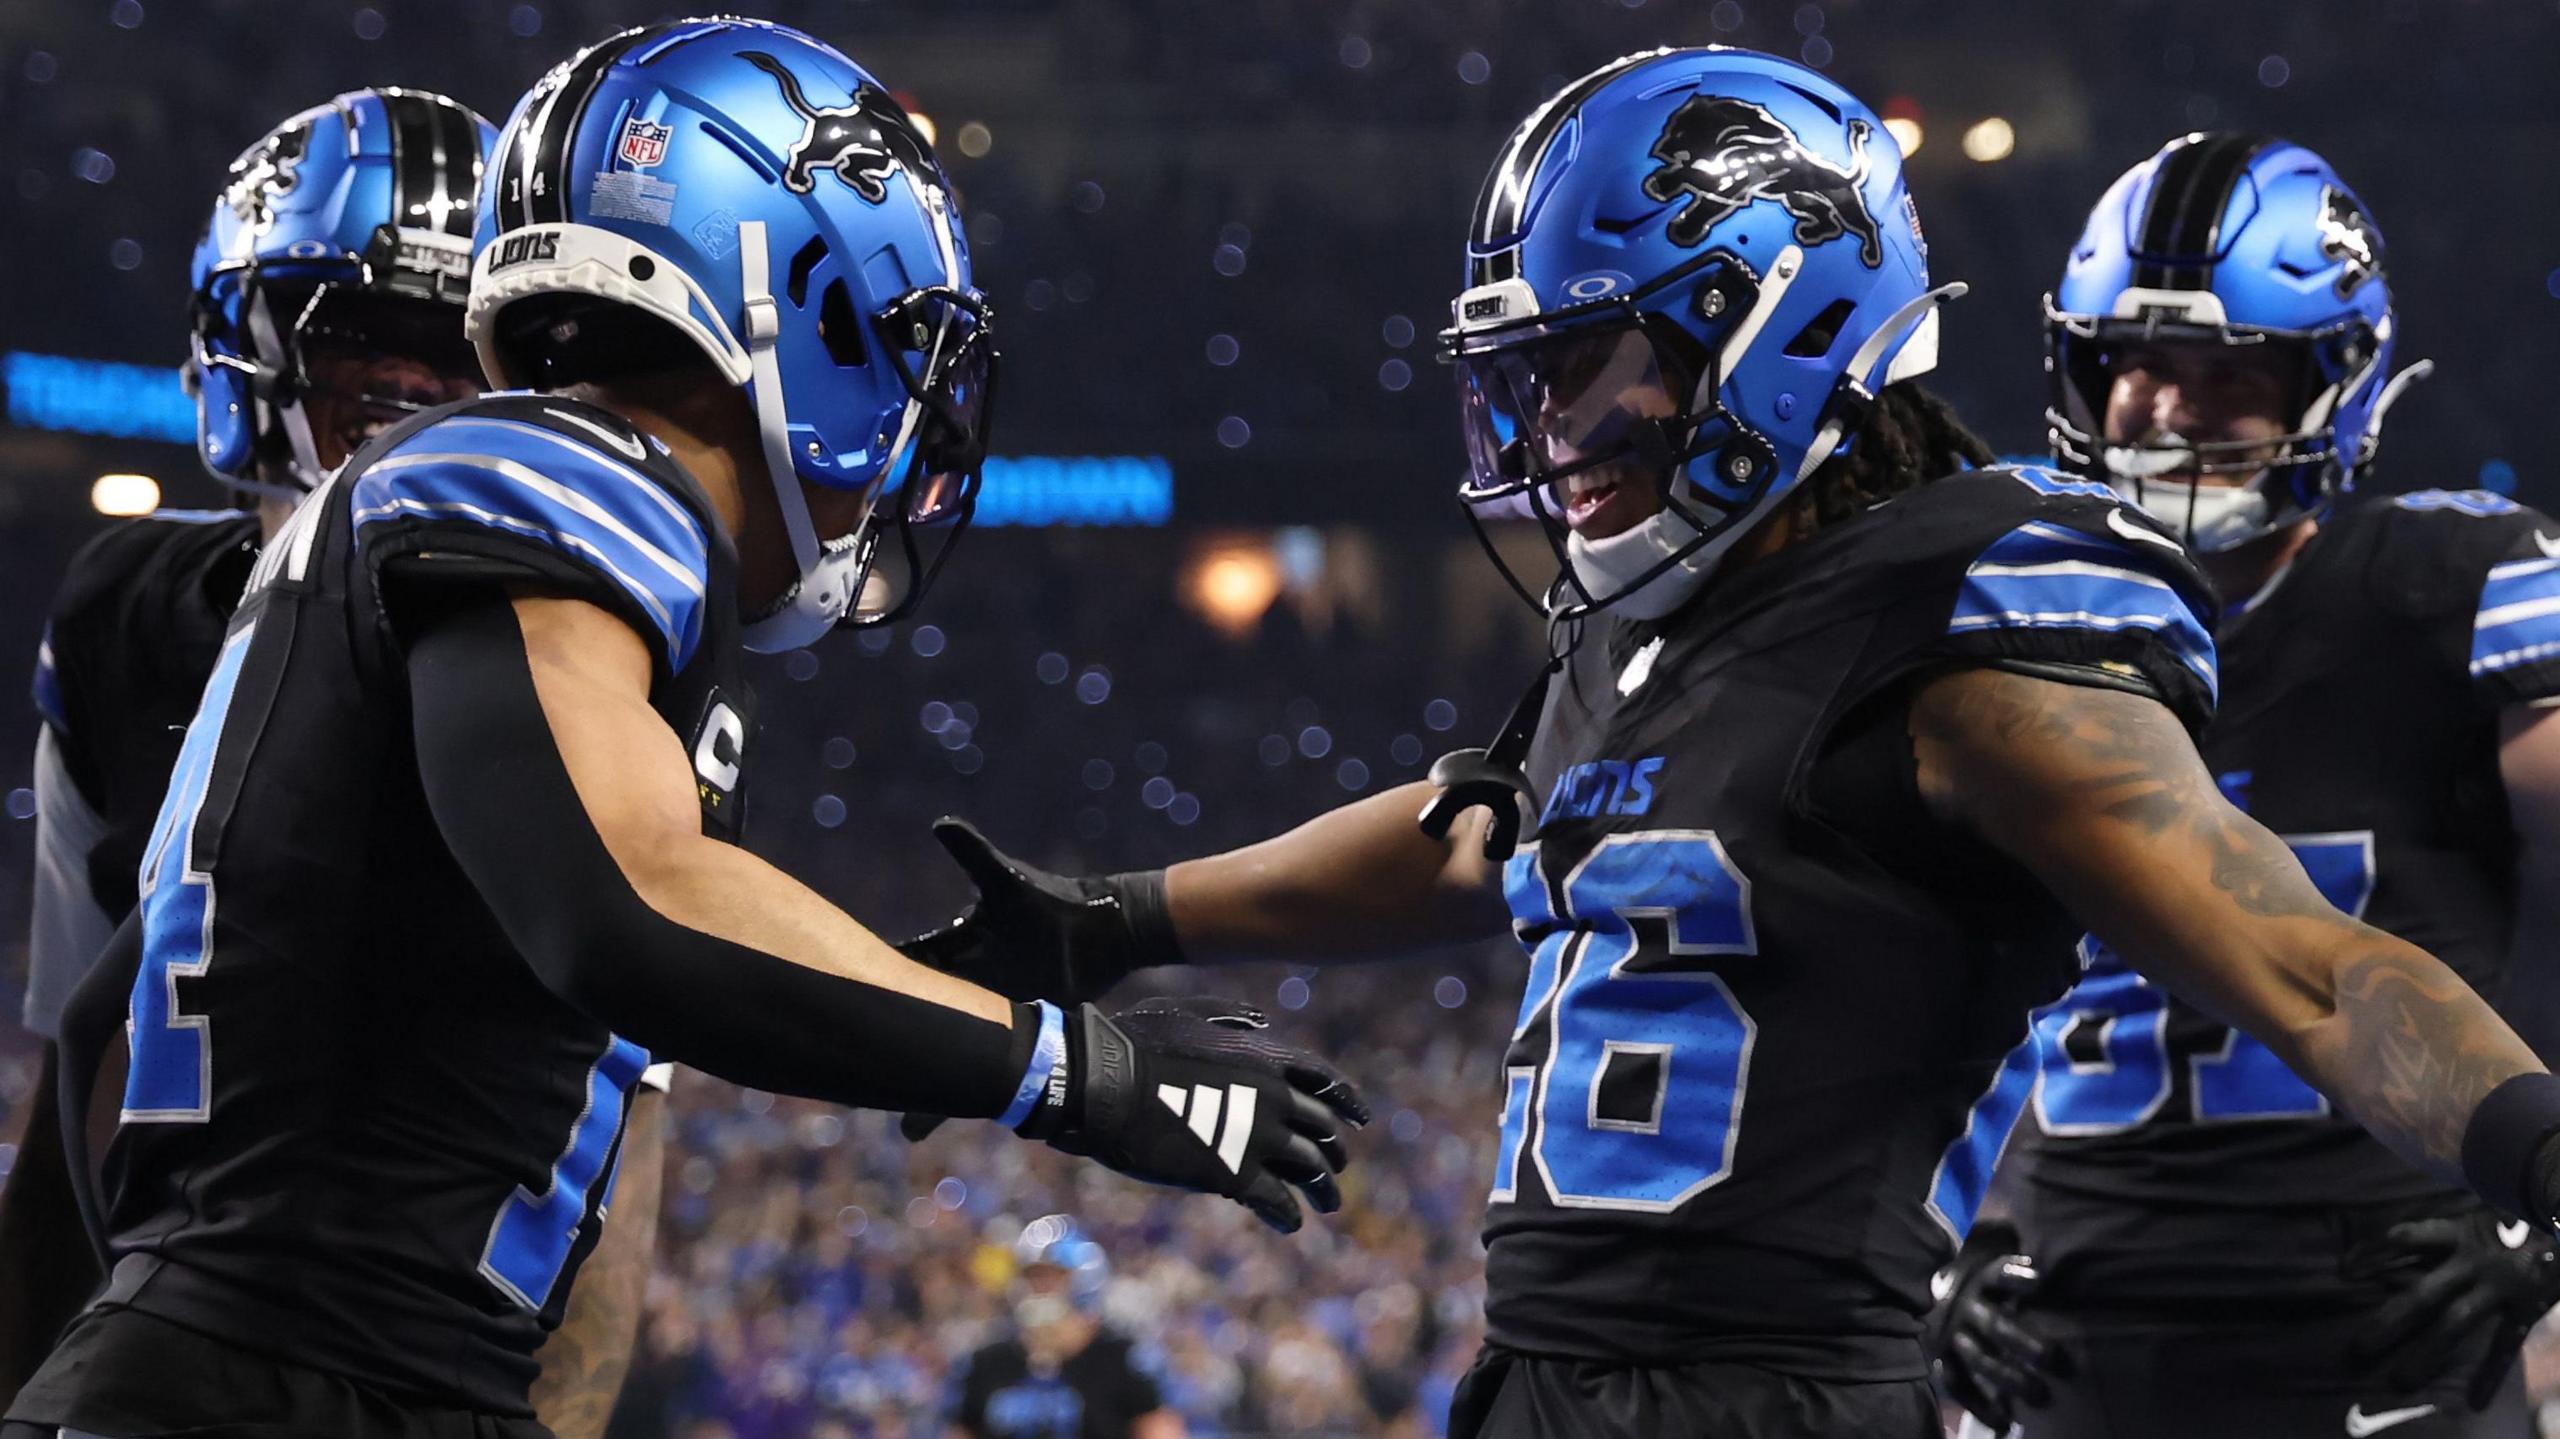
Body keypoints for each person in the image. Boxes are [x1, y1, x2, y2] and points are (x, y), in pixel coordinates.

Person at [898, 49, 2560, 1439]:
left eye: (1587, 365)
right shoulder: (1657, 625)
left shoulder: (1965, 632)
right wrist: (1130, 913)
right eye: (1526, 378)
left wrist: (2531, 1147)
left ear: (1774, 323)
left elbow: (2302, 958)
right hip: (1543, 1375)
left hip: (1782, 1390)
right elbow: (1483, 830)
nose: (1548, 428)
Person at [2, 20, 1360, 1439]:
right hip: (311, 1377)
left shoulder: (429, 513)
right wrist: (1080, 1068)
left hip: (224, 1359)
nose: (906, 424)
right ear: (803, 306)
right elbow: (632, 899)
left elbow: (101, 1032)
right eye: (892, 351)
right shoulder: (564, 468)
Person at [0, 90, 681, 1439]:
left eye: (462, 366)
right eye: (372, 359)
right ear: (249, 361)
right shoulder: (122, 620)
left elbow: (610, 1142)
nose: (419, 414)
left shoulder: (584, 652)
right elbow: (78, 1062)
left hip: (408, 1372)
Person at [1925, 133, 2560, 1439]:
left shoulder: (2452, 588)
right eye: (2138, 364)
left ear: (2334, 380)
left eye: (2229, 374)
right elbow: (1907, 978)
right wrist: (1933, 1237)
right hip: (2074, 1336)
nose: (2167, 410)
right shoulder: (2009, 612)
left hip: (2383, 1330)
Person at [948, 1217, 1183, 1439]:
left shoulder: (1121, 1359)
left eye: (1053, 1277)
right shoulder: (988, 1363)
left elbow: (1160, 1430)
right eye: (1033, 1278)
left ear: (1083, 1281)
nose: (1041, 1289)